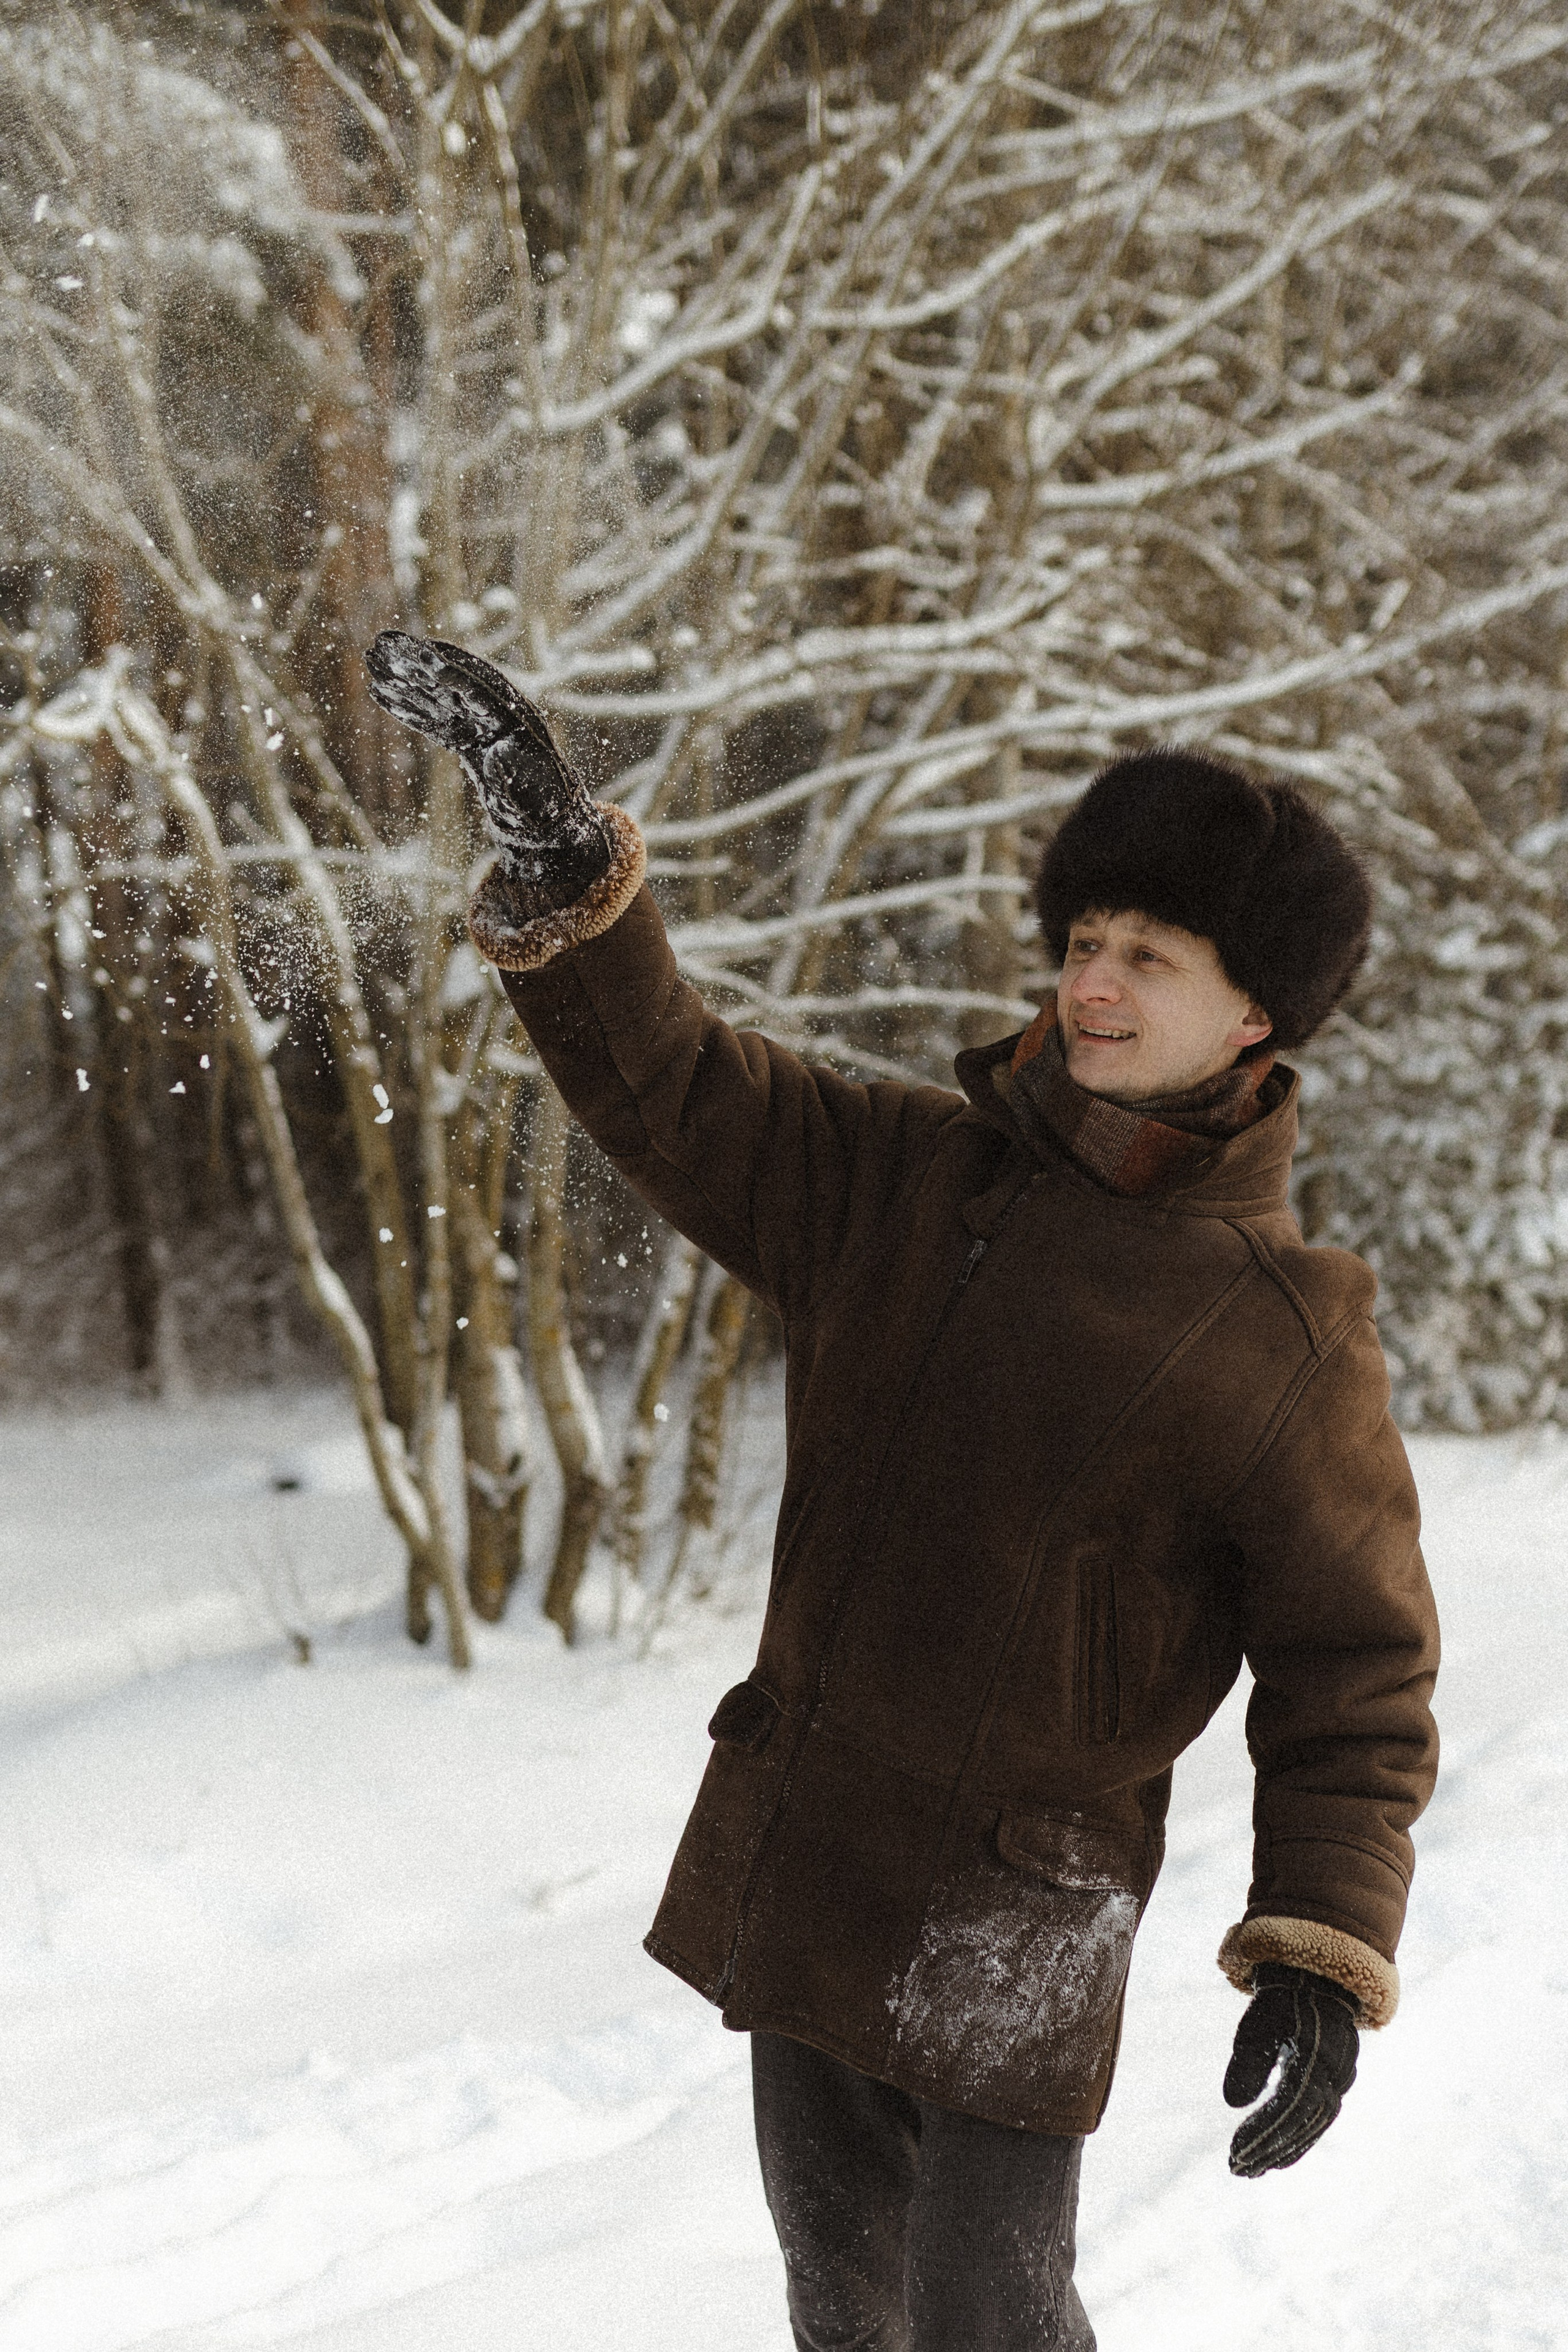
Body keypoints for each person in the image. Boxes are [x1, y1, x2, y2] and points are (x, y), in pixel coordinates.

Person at [364, 631, 1440, 2352]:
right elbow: (677, 1085)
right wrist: (567, 872)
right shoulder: (908, 1176)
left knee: (986, 2322)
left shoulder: (1286, 1330)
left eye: (1149, 956)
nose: (1093, 985)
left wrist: (1320, 1940)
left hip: (1025, 1900)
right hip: (821, 1842)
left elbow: (1357, 1671)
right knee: (842, 2308)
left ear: (1256, 1016)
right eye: (1082, 943)